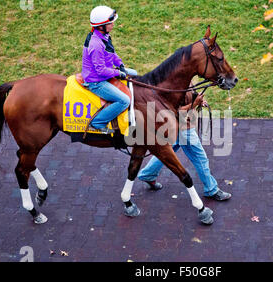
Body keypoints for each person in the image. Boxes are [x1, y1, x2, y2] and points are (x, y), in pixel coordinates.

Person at [137, 92, 232, 201]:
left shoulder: (187, 78)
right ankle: (211, 190)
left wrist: (198, 101)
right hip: (184, 128)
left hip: (177, 127)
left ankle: (148, 174)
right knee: (200, 158)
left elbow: (189, 95)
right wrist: (195, 103)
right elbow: (176, 110)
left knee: (166, 153)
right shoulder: (176, 84)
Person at [82, 6, 137, 134]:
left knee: (134, 73)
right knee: (124, 101)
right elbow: (101, 70)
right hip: (96, 82)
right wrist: (118, 73)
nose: (113, 25)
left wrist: (121, 65)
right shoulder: (96, 44)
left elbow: (112, 54)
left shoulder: (104, 36)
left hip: (105, 73)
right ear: (101, 26)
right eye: (110, 23)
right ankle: (97, 123)